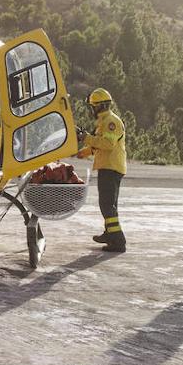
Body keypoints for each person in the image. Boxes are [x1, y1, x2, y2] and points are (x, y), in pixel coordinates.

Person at [76, 88, 127, 253]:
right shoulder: (103, 122)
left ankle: (118, 241)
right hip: (108, 166)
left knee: (106, 204)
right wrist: (82, 153)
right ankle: (110, 234)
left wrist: (86, 137)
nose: (92, 110)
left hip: (111, 167)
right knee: (109, 204)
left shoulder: (111, 122)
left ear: (99, 106)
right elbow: (98, 145)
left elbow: (108, 144)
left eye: (93, 107)